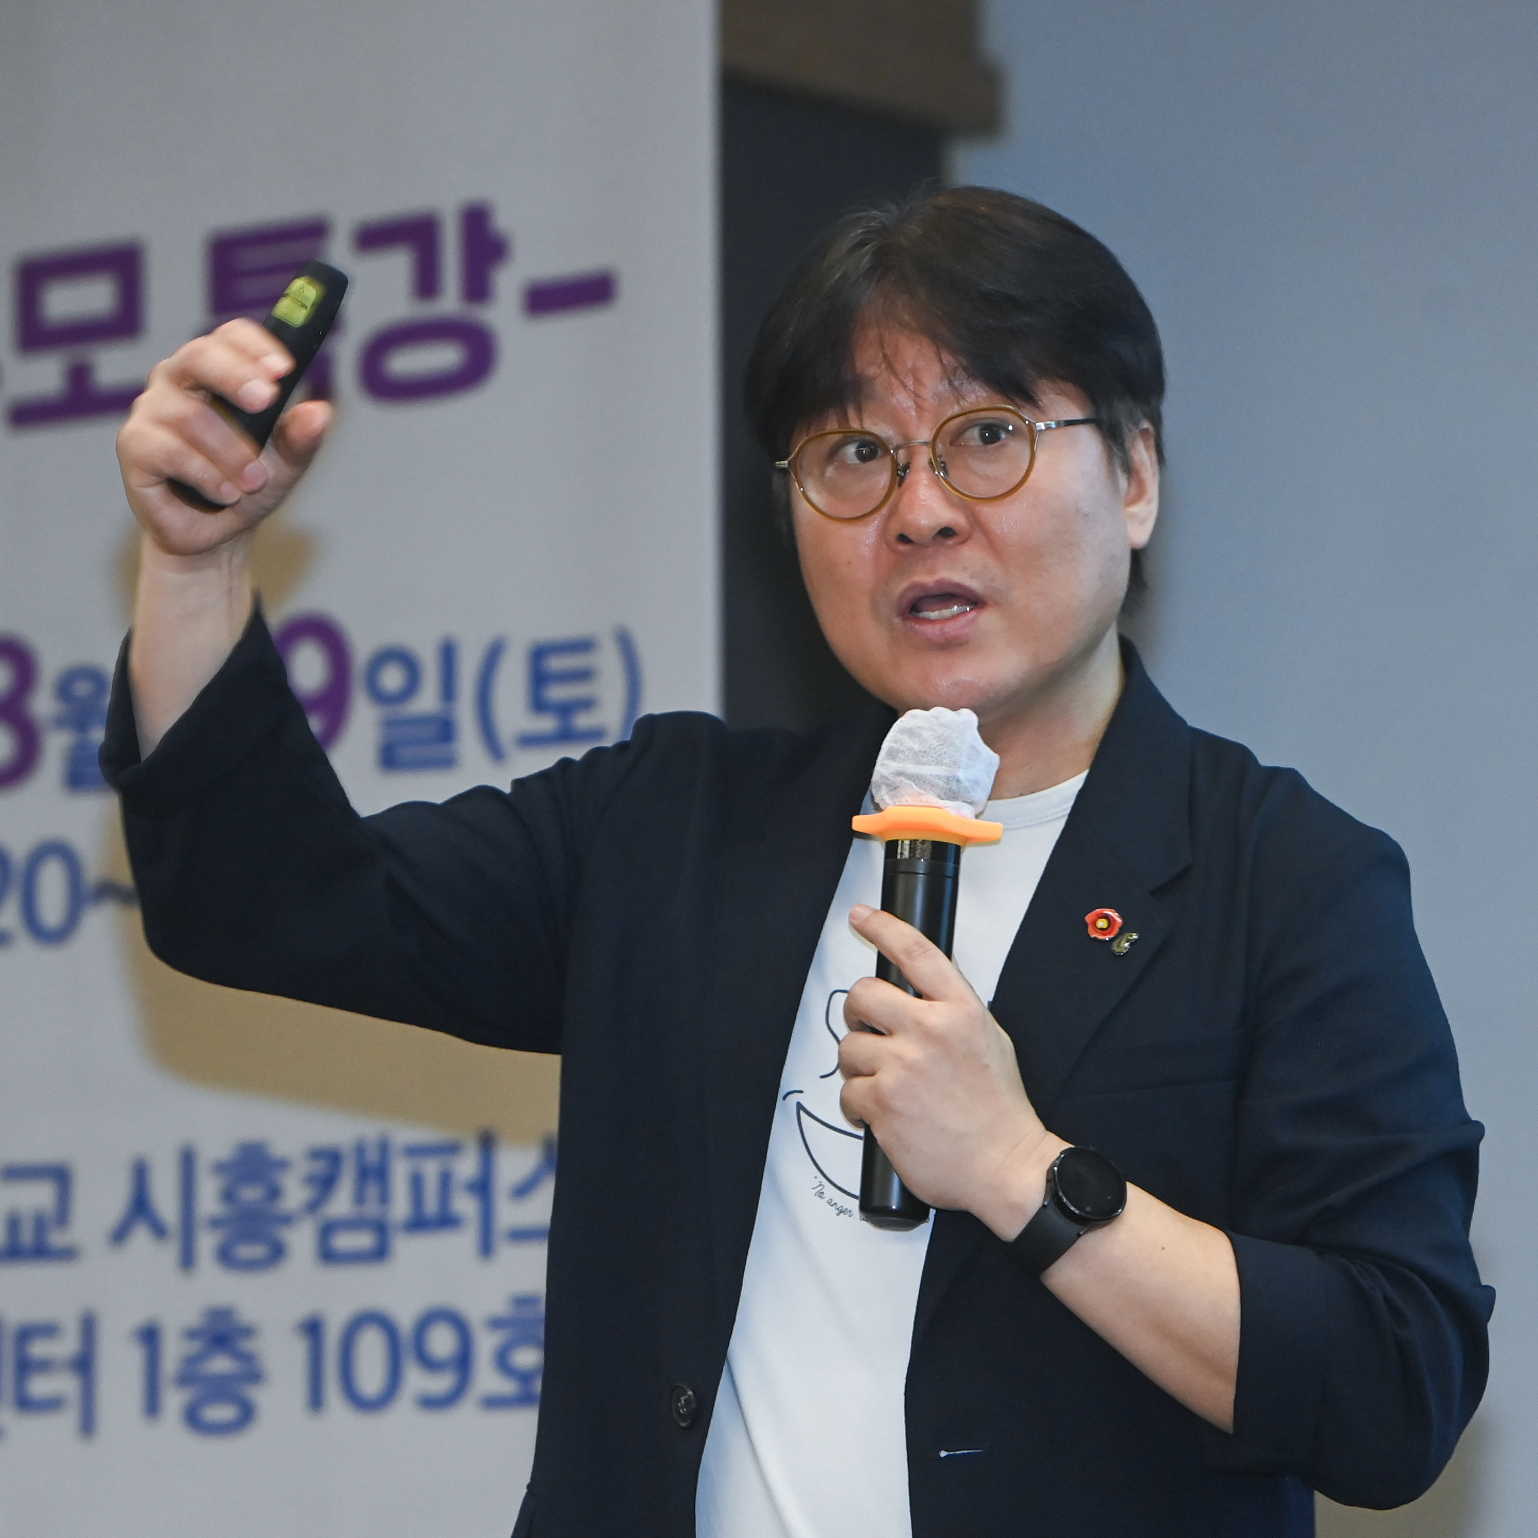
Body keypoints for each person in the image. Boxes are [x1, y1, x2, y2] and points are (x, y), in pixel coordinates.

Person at [102, 186, 1491, 1536]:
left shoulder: (1284, 883)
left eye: (987, 436)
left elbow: (1394, 1384)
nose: (920, 510)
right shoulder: (674, 831)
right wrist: (196, 560)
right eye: (855, 456)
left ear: (1133, 476)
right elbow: (261, 901)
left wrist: (1020, 1170)